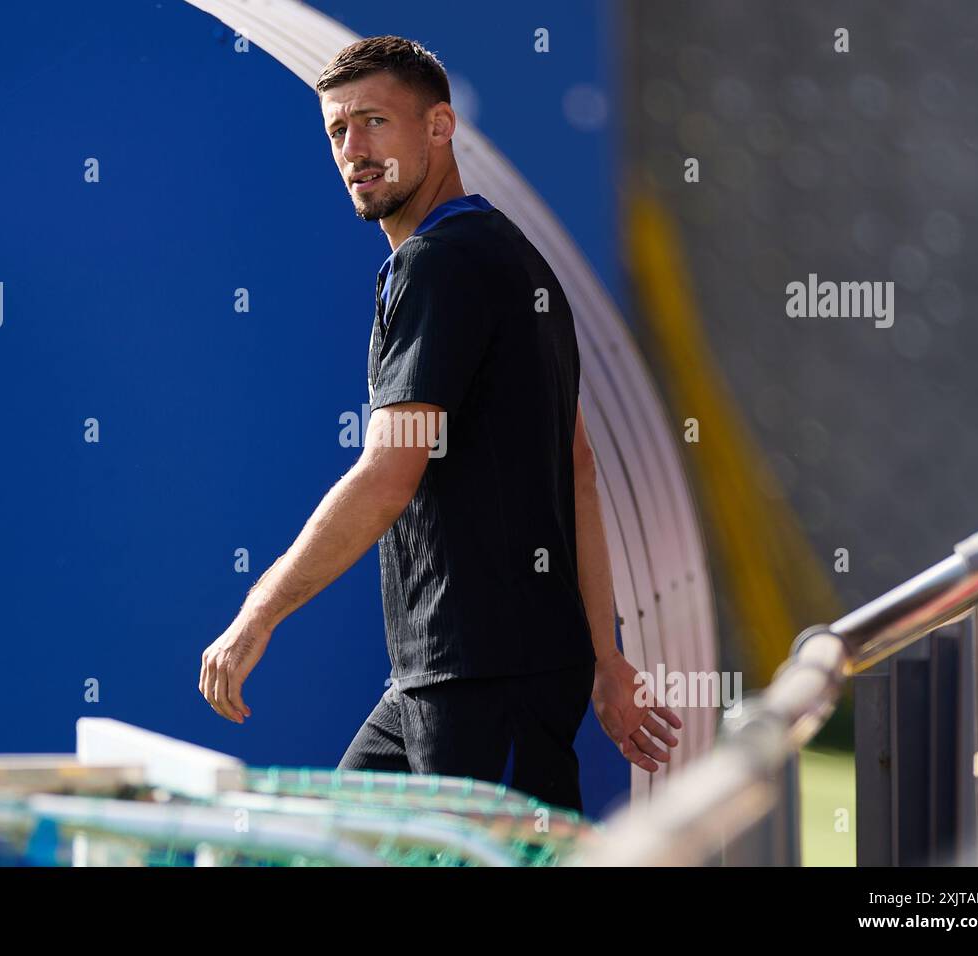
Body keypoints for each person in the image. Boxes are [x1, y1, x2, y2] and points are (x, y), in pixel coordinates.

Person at [199, 35, 681, 812]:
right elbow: (579, 470)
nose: (354, 149)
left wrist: (258, 613)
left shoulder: (440, 263)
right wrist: (603, 657)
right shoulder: (510, 254)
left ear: (439, 126)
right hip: (444, 680)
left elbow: (389, 475)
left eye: (375, 122)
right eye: (337, 132)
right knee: (333, 846)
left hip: (485, 682)